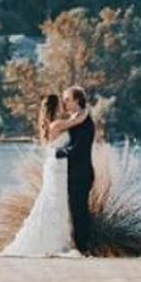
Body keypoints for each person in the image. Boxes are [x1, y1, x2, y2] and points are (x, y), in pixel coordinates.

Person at [0, 91, 86, 257]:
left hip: (55, 166)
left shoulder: (50, 125)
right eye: (61, 103)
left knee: (54, 201)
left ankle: (55, 241)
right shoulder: (57, 125)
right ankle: (54, 242)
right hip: (57, 167)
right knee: (55, 202)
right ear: (55, 107)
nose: (63, 105)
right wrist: (85, 109)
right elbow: (79, 120)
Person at [54, 85, 96, 253]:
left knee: (80, 212)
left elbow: (78, 148)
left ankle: (83, 249)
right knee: (75, 211)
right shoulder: (75, 119)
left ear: (77, 100)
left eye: (67, 99)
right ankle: (80, 248)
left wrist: (57, 153)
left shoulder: (85, 122)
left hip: (82, 174)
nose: (64, 103)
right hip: (74, 173)